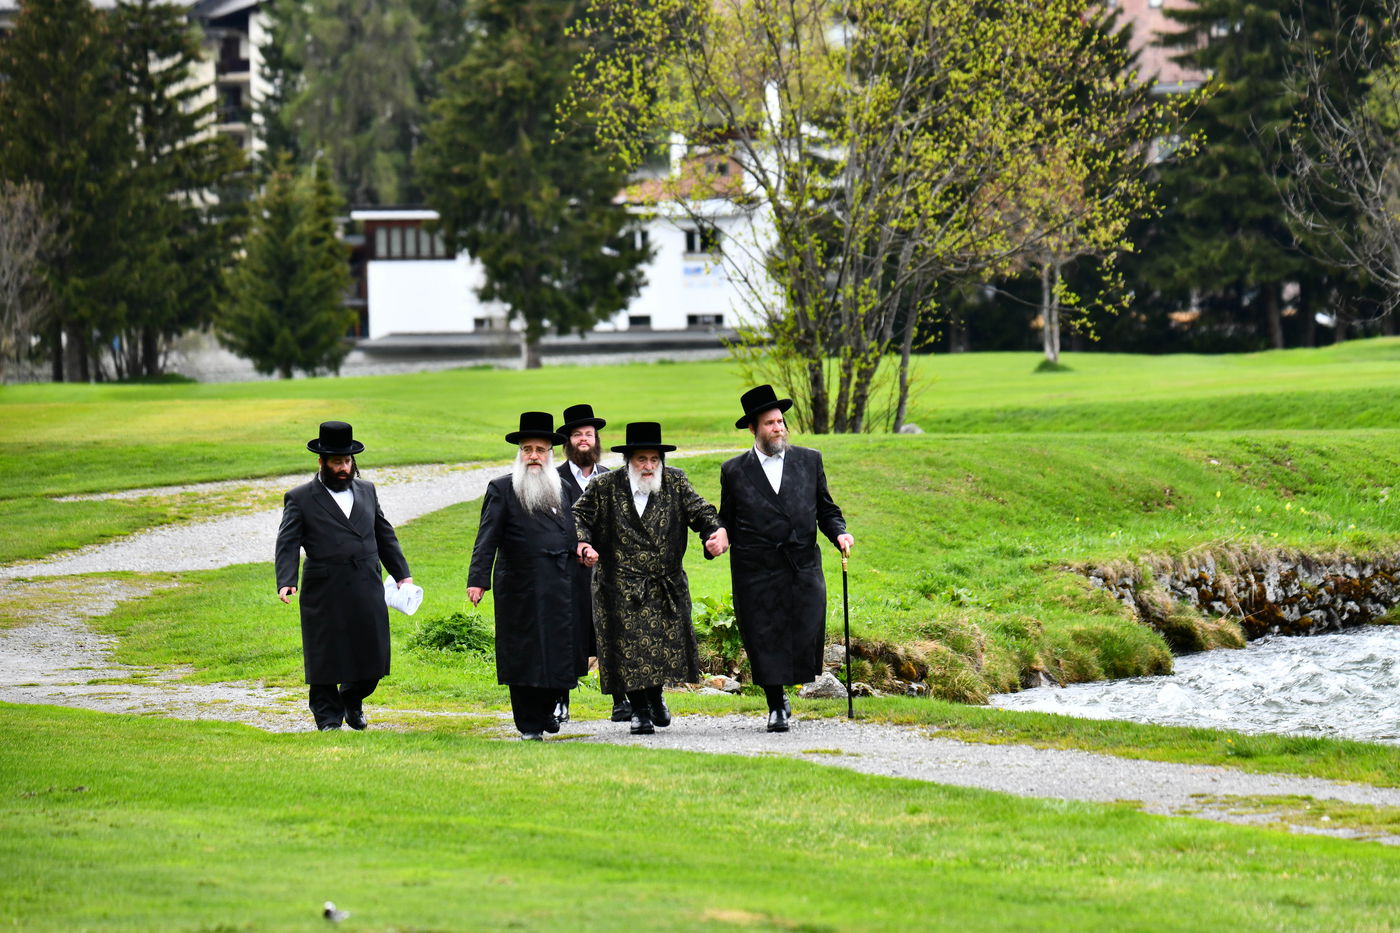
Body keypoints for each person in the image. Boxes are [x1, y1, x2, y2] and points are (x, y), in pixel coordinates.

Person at [572, 422, 728, 735]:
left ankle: (656, 698)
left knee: (659, 646)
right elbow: (578, 516)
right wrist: (583, 543)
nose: (648, 466)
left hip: (663, 582)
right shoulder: (605, 486)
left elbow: (702, 513)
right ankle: (639, 711)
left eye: (654, 459)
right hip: (618, 585)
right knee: (628, 649)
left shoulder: (675, 481)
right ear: (628, 460)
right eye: (642, 459)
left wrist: (715, 533)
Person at [719, 386, 854, 732]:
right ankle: (775, 702)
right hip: (755, 569)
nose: (778, 428)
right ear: (753, 428)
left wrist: (838, 532)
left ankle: (792, 686)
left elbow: (826, 508)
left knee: (804, 626)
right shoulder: (734, 470)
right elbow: (727, 518)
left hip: (801, 565)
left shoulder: (809, 460)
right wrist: (718, 536)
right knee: (763, 634)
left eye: (780, 421)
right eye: (769, 423)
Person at [275, 421, 413, 732]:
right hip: (324, 586)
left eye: (347, 461)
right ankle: (327, 719)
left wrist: (401, 574)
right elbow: (287, 541)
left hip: (365, 581)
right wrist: (286, 579)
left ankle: (352, 698)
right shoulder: (300, 498)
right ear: (321, 462)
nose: (343, 467)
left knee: (373, 656)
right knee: (325, 656)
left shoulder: (367, 490)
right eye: (336, 461)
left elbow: (384, 533)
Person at [467, 412, 584, 741]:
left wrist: (583, 550)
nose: (534, 456)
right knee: (524, 654)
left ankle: (548, 709)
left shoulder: (562, 487)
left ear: (550, 453)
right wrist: (478, 579)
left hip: (561, 583)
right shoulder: (502, 488)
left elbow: (574, 532)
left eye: (540, 449)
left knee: (559, 652)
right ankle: (529, 725)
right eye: (527, 449)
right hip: (518, 585)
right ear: (520, 453)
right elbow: (486, 537)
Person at [555, 403, 631, 724]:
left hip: (606, 573)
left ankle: (620, 699)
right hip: (567, 573)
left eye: (589, 434)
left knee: (611, 634)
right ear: (568, 441)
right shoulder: (553, 479)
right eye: (577, 435)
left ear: (596, 439)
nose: (584, 439)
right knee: (566, 634)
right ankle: (561, 700)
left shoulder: (612, 479)